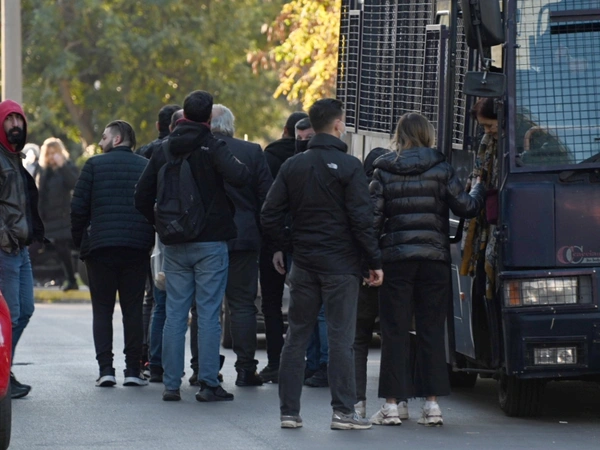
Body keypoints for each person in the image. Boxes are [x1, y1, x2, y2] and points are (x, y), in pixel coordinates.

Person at [261, 98, 383, 430]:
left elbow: (269, 214)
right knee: (341, 339)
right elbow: (362, 220)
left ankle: (289, 412)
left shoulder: (293, 166)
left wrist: (287, 245)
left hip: (304, 263)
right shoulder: (350, 166)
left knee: (296, 336)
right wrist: (373, 260)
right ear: (338, 124)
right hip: (341, 266)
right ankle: (343, 412)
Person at [135, 90, 251, 403]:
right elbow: (241, 176)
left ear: (183, 115)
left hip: (174, 242)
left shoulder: (163, 149)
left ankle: (171, 384)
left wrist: (160, 224)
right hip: (211, 241)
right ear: (209, 117)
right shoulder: (212, 146)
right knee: (209, 313)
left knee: (175, 313)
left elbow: (141, 195)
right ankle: (208, 382)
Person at [369, 112, 484, 427]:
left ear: (399, 135)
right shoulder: (442, 168)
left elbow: (372, 221)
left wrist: (371, 261)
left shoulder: (383, 171)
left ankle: (392, 406)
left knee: (394, 332)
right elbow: (467, 207)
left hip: (396, 260)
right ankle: (432, 406)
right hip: (434, 260)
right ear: (427, 135)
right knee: (431, 330)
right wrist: (478, 188)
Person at [71, 120, 154, 388]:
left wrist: (81, 242)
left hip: (100, 249)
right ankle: (132, 370)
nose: (100, 142)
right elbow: (152, 206)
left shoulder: (93, 166)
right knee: (133, 310)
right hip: (136, 248)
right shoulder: (145, 166)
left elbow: (78, 208)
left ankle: (106, 369)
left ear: (117, 140)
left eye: (104, 137)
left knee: (102, 310)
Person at [204, 104, 273, 386]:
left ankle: (203, 368)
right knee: (243, 305)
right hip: (243, 237)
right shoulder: (252, 151)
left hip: (206, 237)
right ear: (230, 124)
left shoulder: (199, 150)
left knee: (204, 307)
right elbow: (267, 197)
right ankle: (246, 369)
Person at [0, 100, 45, 399]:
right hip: (5, 248)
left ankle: (5, 369)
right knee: (11, 315)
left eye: (19, 119)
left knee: (25, 310)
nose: (16, 124)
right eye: (10, 119)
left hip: (21, 249)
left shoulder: (15, 158)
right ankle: (4, 374)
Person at [258, 111, 308, 383]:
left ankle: (276, 362)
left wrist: (274, 240)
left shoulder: (271, 155)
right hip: (304, 238)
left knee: (272, 304)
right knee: (308, 305)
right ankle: (308, 361)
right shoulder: (313, 158)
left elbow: (266, 202)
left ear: (285, 130)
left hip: (273, 238)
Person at [136, 104, 181, 375]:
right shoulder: (181, 150)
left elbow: (140, 193)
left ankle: (149, 357)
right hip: (173, 233)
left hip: (148, 234)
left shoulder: (146, 151)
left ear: (158, 125)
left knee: (152, 298)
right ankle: (169, 360)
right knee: (171, 300)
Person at [352, 146, 390, 418]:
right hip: (392, 273)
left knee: (358, 339)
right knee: (393, 337)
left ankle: (358, 401)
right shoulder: (395, 191)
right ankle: (397, 401)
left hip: (365, 275)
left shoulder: (358, 195)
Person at [147, 108, 184, 383]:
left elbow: (141, 194)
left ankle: (157, 363)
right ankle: (201, 369)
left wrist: (154, 221)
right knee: (192, 308)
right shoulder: (203, 150)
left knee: (159, 303)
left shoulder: (152, 151)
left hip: (160, 237)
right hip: (189, 237)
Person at [36, 137, 80, 291]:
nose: (51, 157)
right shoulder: (43, 171)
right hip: (48, 217)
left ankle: (71, 279)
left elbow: (74, 183)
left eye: (54, 153)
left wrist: (62, 166)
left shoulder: (68, 167)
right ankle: (67, 279)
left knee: (63, 247)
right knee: (53, 248)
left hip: (63, 216)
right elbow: (40, 195)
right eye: (48, 153)